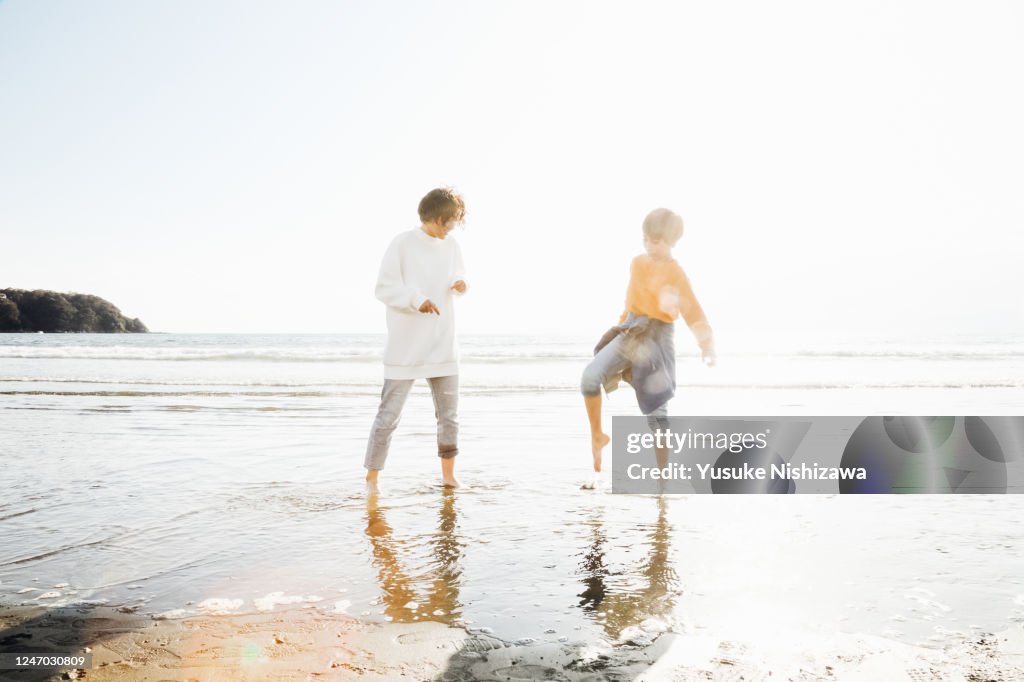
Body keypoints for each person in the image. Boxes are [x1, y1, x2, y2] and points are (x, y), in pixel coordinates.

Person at [580, 208, 715, 480]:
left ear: (671, 242)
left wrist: (706, 343)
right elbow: (632, 300)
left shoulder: (677, 274)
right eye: (647, 240)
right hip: (630, 329)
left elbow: (693, 311)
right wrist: (619, 330)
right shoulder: (637, 263)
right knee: (590, 377)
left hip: (658, 335)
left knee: (657, 410)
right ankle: (598, 437)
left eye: (657, 241)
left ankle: (663, 478)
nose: (650, 246)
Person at [364, 187, 468, 494]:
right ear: (437, 217)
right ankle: (372, 479)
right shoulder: (402, 244)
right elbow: (384, 288)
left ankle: (449, 476)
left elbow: (456, 277)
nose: (453, 227)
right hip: (406, 346)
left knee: (449, 417)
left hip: (443, 341)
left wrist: (461, 284)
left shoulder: (452, 247)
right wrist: (415, 299)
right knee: (388, 415)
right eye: (451, 220)